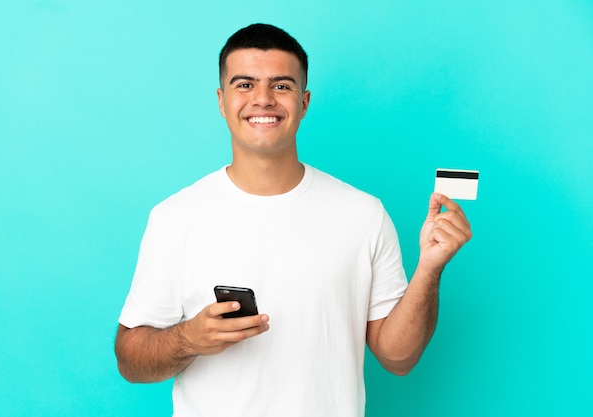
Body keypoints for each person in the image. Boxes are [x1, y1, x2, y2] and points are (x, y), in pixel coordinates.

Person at [115, 23, 472, 416]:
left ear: (304, 102)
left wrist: (430, 269)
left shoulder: (363, 214)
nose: (263, 99)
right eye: (245, 85)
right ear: (221, 100)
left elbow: (398, 359)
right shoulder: (175, 217)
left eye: (281, 86)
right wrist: (189, 339)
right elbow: (130, 361)